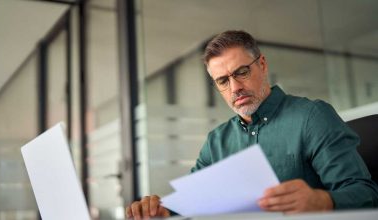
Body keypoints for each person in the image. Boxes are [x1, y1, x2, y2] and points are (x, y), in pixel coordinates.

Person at [126, 30, 378, 219]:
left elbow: (365, 193)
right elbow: (193, 201)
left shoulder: (312, 117)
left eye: (241, 72)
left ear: (262, 64)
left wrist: (322, 201)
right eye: (223, 81)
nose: (235, 88)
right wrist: (163, 210)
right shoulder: (216, 141)